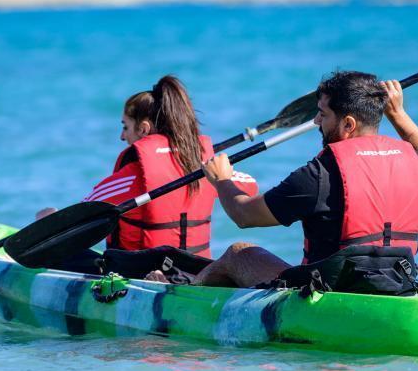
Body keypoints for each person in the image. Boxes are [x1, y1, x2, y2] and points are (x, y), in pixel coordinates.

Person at [165, 70, 418, 287]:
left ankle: (183, 291)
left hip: (329, 291)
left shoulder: (320, 175)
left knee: (239, 253)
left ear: (348, 124)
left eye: (323, 115)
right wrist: (399, 115)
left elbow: (244, 215)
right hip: (398, 284)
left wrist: (222, 180)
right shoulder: (417, 164)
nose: (316, 122)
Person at [39, 75, 257, 259]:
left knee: (58, 236)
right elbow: (251, 187)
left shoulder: (134, 177)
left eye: (125, 127)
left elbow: (81, 216)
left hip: (141, 273)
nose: (122, 136)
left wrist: (48, 219)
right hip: (196, 270)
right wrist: (219, 175)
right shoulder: (206, 168)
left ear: (143, 129)